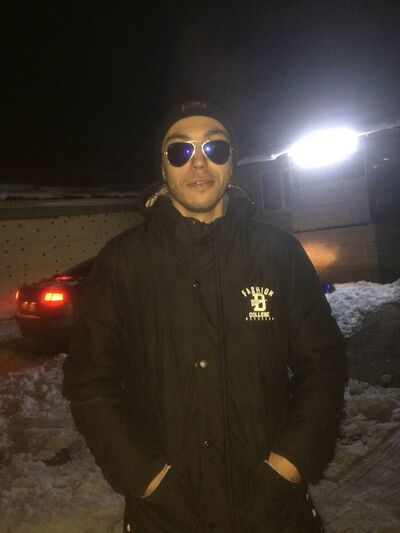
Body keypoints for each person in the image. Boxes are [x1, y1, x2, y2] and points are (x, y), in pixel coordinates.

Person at [63, 100, 347, 533]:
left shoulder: (278, 253)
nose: (199, 162)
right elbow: (89, 383)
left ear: (232, 163)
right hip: (167, 515)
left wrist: (288, 465)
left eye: (215, 148)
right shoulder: (123, 262)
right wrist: (146, 478)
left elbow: (324, 365)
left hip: (274, 511)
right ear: (162, 168)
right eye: (180, 150)